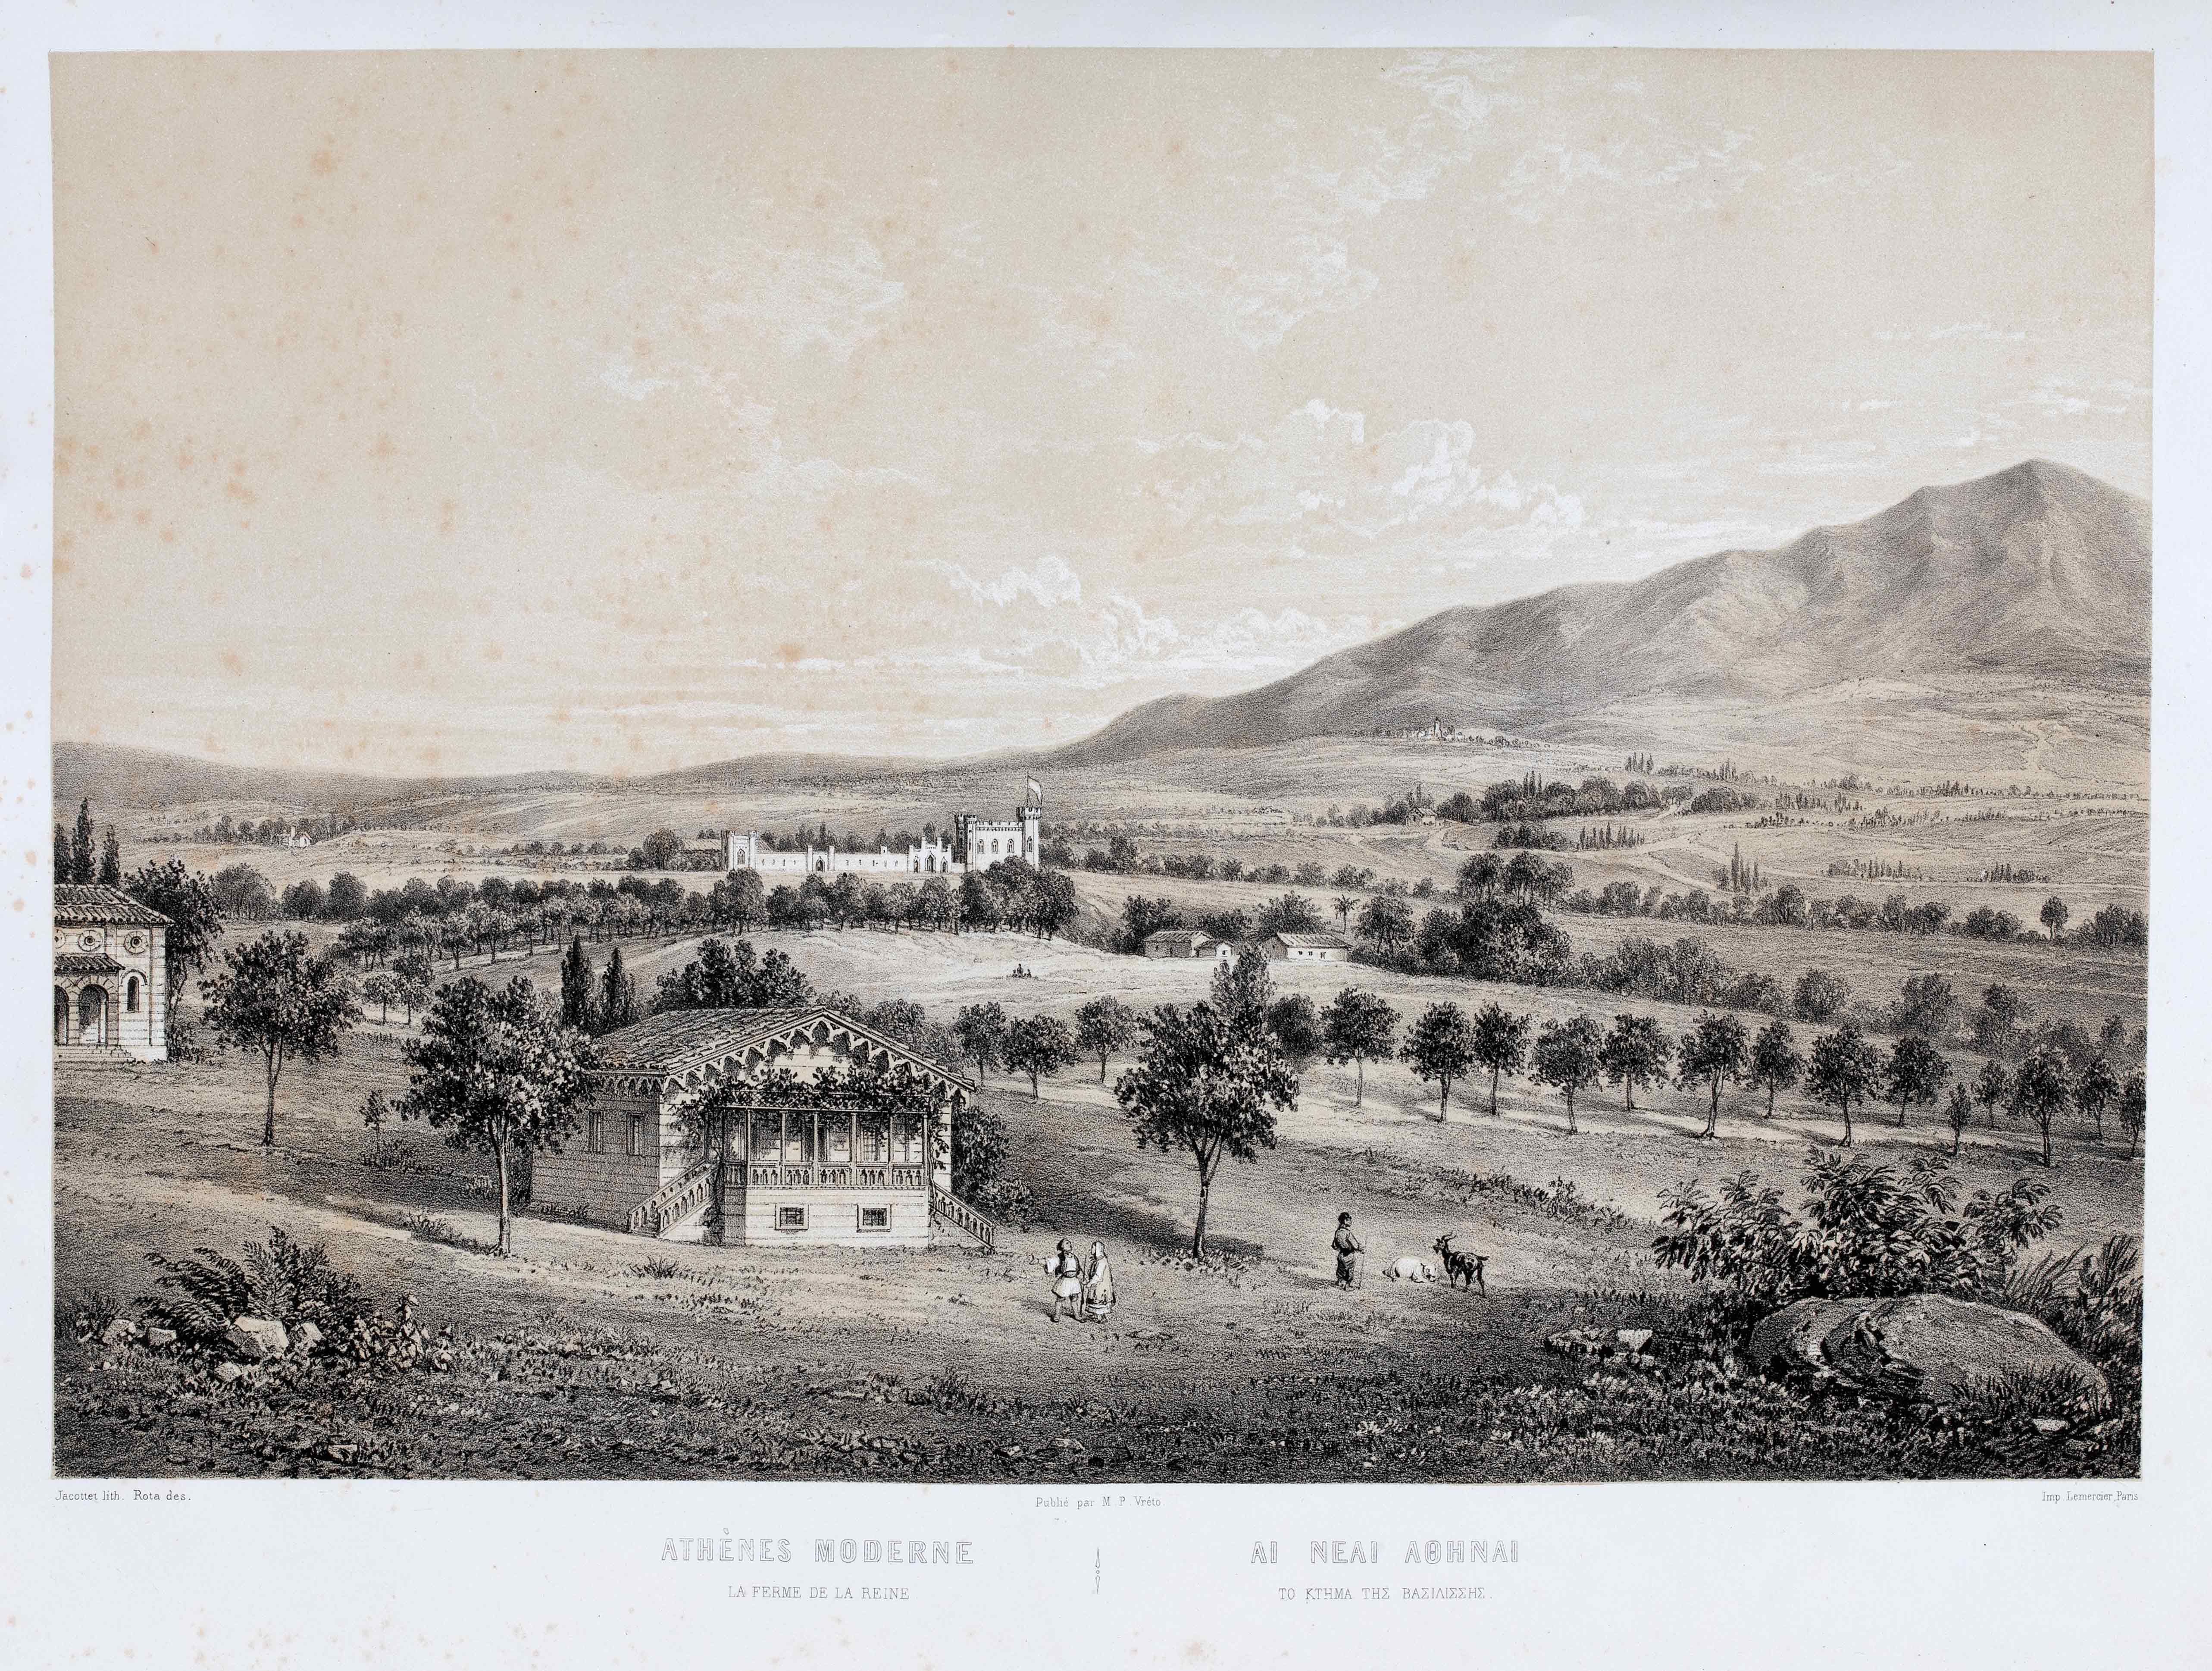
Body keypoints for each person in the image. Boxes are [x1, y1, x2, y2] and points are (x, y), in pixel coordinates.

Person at [1043, 1238, 1085, 1322]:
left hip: (1074, 1281)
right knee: (1060, 1298)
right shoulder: (1060, 1257)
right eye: (1067, 1243)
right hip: (1065, 1281)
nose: (1070, 1244)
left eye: (1070, 1243)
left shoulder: (1074, 1257)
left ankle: (1077, 1316)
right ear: (1062, 1247)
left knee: (1074, 1298)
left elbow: (1078, 1268)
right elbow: (1051, 1263)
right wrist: (1041, 1262)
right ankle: (1057, 1316)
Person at [1083, 1239, 1115, 1322]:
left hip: (1100, 1286)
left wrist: (1090, 1283)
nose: (1091, 1250)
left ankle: (1101, 1317)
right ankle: (1096, 1315)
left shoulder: (1101, 1262)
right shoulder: (1098, 1261)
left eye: (1093, 1248)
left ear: (1097, 1249)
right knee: (1094, 1300)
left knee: (1099, 1300)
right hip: (1097, 1285)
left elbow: (1098, 1276)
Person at [1332, 1212, 1364, 1289]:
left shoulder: (1338, 1232)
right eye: (1350, 1220)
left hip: (1341, 1255)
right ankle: (1347, 1286)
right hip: (1349, 1256)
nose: (1351, 1222)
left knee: (1341, 1269)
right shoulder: (1347, 1233)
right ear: (1346, 1221)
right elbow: (1355, 1245)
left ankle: (1340, 1282)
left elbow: (1335, 1245)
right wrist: (1361, 1249)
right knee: (1350, 1271)